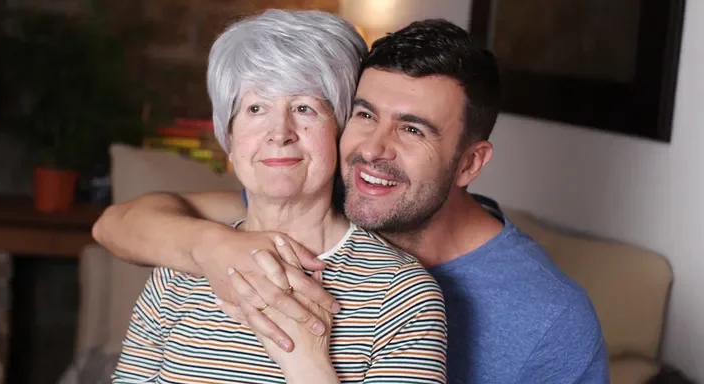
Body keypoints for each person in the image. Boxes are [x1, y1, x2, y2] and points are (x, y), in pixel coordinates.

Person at [95, 17, 610, 384]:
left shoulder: (547, 317)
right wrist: (207, 249)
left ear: (470, 164)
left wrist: (304, 356)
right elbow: (118, 224)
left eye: (412, 128)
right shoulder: (275, 211)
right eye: (364, 115)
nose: (373, 150)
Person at [110, 9, 447, 384]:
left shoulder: (402, 296)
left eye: (305, 108)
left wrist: (306, 363)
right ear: (229, 141)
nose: (280, 132)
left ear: (341, 133)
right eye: (256, 109)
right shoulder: (177, 272)